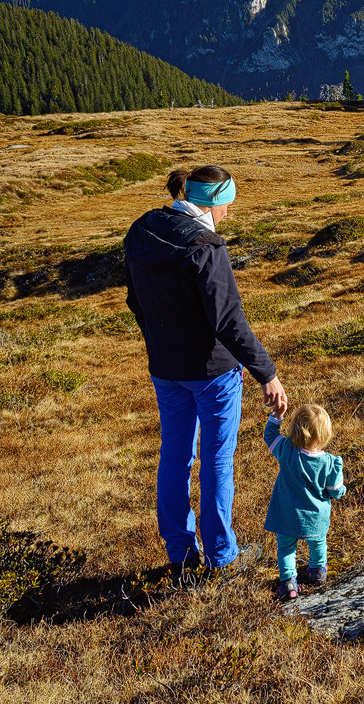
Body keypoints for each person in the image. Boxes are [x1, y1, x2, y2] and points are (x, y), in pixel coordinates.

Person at [124, 165, 288, 571]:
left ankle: (180, 555)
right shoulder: (206, 247)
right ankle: (221, 556)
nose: (228, 214)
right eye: (227, 205)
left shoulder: (142, 230)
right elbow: (229, 322)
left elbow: (134, 300)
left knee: (174, 458)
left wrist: (159, 340)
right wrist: (267, 373)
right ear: (214, 201)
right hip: (213, 373)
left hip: (165, 368)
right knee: (217, 460)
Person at [263, 403, 346, 600]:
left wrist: (276, 417)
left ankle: (289, 583)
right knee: (318, 543)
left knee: (285, 548)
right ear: (325, 434)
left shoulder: (286, 450)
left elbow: (270, 436)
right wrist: (341, 490)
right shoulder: (329, 463)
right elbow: (335, 492)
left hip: (286, 516)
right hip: (315, 518)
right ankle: (318, 572)